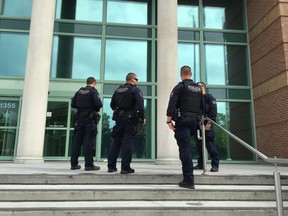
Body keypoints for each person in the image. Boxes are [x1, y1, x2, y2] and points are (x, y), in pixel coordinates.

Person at [166, 65, 204, 189]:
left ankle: (188, 180)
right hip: (195, 122)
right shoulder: (198, 89)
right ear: (191, 74)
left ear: (181, 74)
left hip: (183, 121)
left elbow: (172, 104)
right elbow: (203, 107)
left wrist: (169, 121)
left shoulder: (180, 87)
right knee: (188, 147)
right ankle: (189, 177)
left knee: (185, 149)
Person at [107, 73, 145, 174]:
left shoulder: (118, 90)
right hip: (130, 118)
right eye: (136, 79)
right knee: (128, 141)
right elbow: (140, 105)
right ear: (132, 79)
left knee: (116, 142)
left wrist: (120, 111)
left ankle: (111, 166)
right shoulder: (135, 90)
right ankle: (125, 167)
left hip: (119, 118)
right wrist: (141, 117)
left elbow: (112, 105)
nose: (137, 81)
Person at [70, 77, 103, 171]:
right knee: (89, 142)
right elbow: (99, 104)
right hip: (89, 119)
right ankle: (89, 165)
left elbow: (73, 104)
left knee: (77, 142)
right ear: (94, 83)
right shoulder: (93, 91)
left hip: (80, 119)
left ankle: (74, 164)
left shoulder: (79, 91)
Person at [194, 82, 219, 172]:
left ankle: (215, 165)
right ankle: (201, 164)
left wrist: (209, 123)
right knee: (199, 147)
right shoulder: (196, 99)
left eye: (199, 87)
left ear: (203, 87)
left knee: (210, 146)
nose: (197, 88)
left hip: (207, 125)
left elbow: (213, 112)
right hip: (198, 126)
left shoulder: (210, 97)